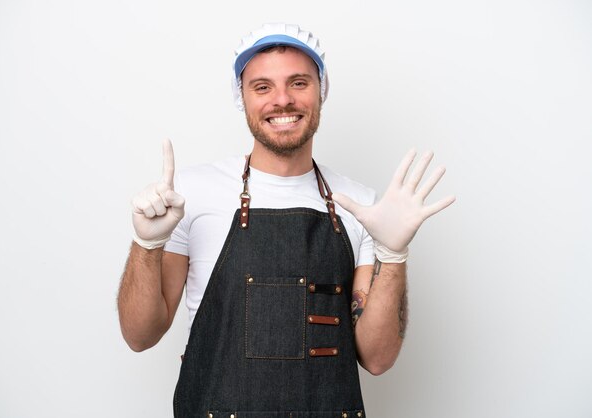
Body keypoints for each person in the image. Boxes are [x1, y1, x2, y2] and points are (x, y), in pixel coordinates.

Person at [117, 23, 455, 418]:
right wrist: (147, 245)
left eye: (298, 83)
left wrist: (393, 255)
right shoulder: (190, 195)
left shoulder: (359, 205)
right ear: (242, 98)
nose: (282, 100)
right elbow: (140, 336)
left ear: (321, 91)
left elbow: (377, 359)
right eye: (262, 87)